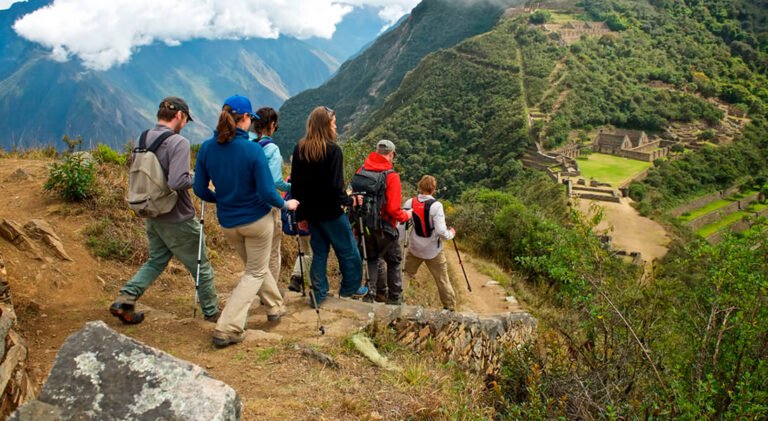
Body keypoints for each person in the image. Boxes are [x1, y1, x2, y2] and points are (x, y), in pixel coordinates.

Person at [194, 95, 299, 348]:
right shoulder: (252, 150)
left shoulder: (207, 148)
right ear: (244, 119)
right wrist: (286, 204)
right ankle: (228, 326)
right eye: (250, 119)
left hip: (229, 223)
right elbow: (266, 191)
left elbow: (199, 189)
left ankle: (275, 307)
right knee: (254, 272)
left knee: (256, 268)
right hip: (257, 220)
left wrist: (221, 198)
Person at [110, 97, 220, 324]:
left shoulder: (143, 138)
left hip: (152, 212)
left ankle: (126, 298)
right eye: (186, 119)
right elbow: (177, 181)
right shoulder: (178, 142)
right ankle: (212, 313)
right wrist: (198, 177)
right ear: (179, 115)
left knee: (156, 260)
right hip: (177, 215)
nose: (185, 124)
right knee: (201, 266)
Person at [290, 106, 365, 307]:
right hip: (331, 212)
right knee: (348, 250)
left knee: (320, 252)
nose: (336, 125)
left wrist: (300, 214)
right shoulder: (333, 151)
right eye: (333, 122)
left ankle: (318, 293)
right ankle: (350, 289)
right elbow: (335, 186)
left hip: (311, 212)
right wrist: (350, 201)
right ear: (326, 125)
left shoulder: (300, 149)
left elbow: (296, 185)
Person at [354, 139, 412, 305]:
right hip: (385, 227)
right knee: (393, 261)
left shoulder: (362, 170)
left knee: (371, 258)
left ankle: (370, 294)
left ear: (376, 152)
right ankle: (395, 298)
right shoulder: (391, 176)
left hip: (363, 225)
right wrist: (406, 216)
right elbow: (394, 209)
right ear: (391, 154)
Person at [249, 107, 290, 288]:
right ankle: (270, 293)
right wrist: (291, 187)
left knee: (254, 254)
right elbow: (276, 181)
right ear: (272, 124)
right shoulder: (271, 148)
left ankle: (255, 287)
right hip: (267, 204)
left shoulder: (246, 143)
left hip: (246, 203)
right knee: (273, 252)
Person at [403, 175, 457, 311]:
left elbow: (402, 224)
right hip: (433, 250)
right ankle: (449, 308)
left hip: (415, 248)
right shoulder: (437, 206)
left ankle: (398, 299)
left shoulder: (409, 202)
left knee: (407, 274)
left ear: (420, 186)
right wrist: (451, 234)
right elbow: (441, 231)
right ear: (433, 189)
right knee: (442, 279)